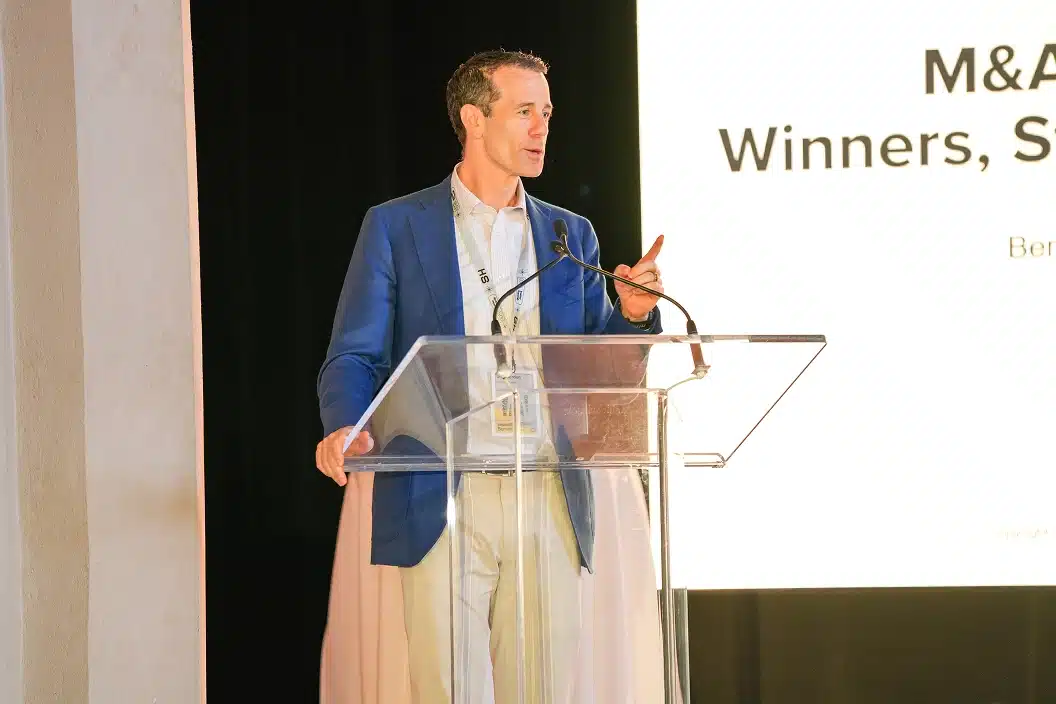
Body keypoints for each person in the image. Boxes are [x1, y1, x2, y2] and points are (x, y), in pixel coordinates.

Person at [315, 50, 667, 703]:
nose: (542, 128)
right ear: (474, 119)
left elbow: (599, 369)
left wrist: (633, 315)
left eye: (548, 114)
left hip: (547, 491)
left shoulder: (571, 234)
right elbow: (354, 352)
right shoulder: (397, 227)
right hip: (443, 491)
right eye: (525, 112)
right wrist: (345, 425)